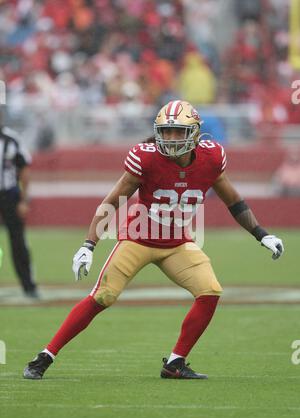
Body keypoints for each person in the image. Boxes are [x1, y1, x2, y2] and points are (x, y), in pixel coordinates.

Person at [23, 100, 284, 380]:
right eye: (166, 131)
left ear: (195, 133)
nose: (170, 138)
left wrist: (262, 234)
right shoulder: (146, 158)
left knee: (210, 290)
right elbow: (112, 201)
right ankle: (45, 356)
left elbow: (234, 201)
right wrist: (89, 244)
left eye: (178, 132)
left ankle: (175, 363)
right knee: (103, 296)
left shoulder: (211, 158)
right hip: (138, 239)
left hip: (176, 243)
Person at [0, 126, 38, 298]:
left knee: (18, 242)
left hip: (9, 195)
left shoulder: (12, 139)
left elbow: (24, 168)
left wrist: (23, 200)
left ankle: (29, 286)